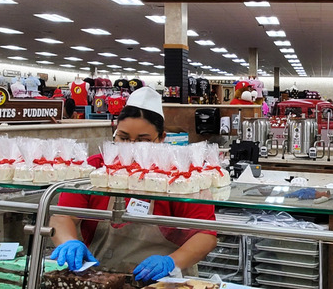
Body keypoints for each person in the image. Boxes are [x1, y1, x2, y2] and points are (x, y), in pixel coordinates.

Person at [50, 87, 217, 282]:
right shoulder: (96, 168)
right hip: (101, 277)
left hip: (165, 281)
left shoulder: (180, 174)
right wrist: (69, 243)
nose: (131, 146)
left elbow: (206, 235)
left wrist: (171, 262)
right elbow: (62, 218)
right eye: (123, 138)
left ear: (161, 138)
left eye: (142, 140)